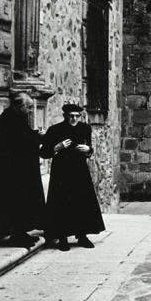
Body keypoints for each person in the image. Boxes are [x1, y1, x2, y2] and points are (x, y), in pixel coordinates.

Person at [41, 104, 105, 251]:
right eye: (71, 116)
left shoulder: (85, 128)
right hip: (61, 173)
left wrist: (89, 149)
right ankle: (62, 238)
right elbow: (44, 153)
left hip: (80, 171)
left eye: (77, 116)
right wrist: (57, 147)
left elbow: (89, 147)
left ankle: (82, 236)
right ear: (65, 116)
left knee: (81, 202)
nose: (74, 119)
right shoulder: (55, 130)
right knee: (61, 203)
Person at [0, 92, 45, 247]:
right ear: (20, 105)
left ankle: (20, 232)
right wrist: (38, 137)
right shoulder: (10, 119)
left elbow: (23, 137)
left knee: (21, 202)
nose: (30, 110)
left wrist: (35, 136)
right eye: (28, 107)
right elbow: (21, 142)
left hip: (16, 169)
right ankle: (16, 234)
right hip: (13, 171)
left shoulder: (14, 118)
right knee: (17, 201)